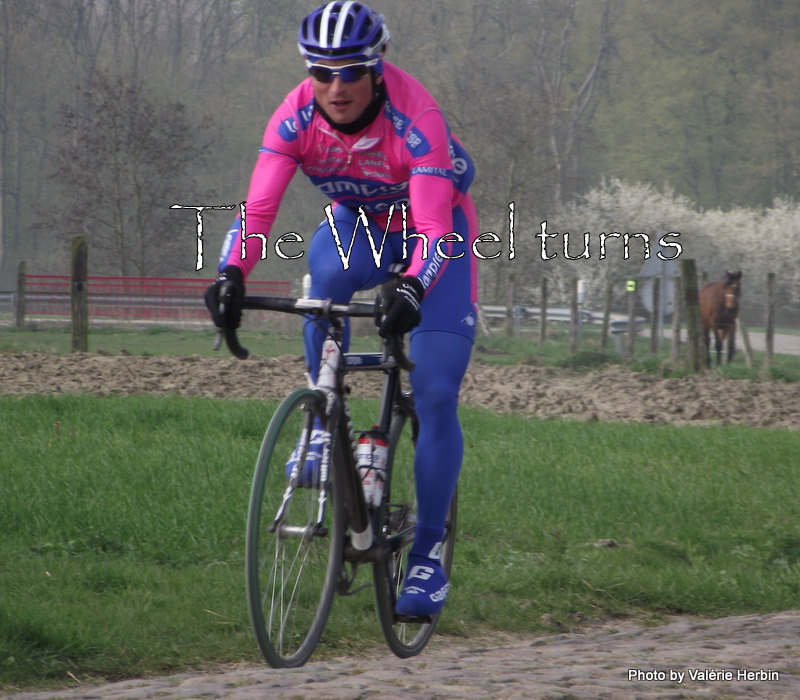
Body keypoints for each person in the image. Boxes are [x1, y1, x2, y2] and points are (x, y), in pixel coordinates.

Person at [205, 1, 478, 618]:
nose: (335, 87)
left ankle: (428, 560)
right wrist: (231, 274)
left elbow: (434, 228)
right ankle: (321, 418)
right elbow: (257, 212)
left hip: (437, 238)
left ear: (376, 69)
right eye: (321, 72)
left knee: (435, 391)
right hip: (362, 228)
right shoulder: (294, 116)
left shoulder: (417, 118)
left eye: (350, 71)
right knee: (322, 279)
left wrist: (412, 287)